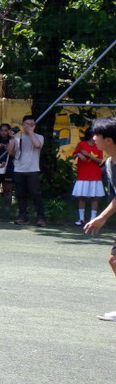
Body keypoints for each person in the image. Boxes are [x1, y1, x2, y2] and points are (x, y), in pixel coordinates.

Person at [82, 117, 116, 320]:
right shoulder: (110, 164)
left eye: (97, 135)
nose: (93, 138)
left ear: (109, 140)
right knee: (114, 260)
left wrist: (102, 217)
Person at [9, 114, 46, 226]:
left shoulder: (39, 137)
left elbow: (37, 145)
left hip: (33, 169)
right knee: (21, 195)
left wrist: (30, 132)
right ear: (22, 125)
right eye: (27, 124)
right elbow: (11, 152)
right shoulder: (17, 137)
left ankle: (41, 217)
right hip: (19, 169)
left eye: (32, 124)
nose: (29, 126)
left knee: (35, 194)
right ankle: (23, 216)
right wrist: (11, 138)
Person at [71, 128, 105, 226]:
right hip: (83, 174)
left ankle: (93, 219)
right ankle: (81, 219)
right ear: (91, 135)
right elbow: (72, 156)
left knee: (94, 197)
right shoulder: (81, 144)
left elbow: (99, 161)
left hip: (95, 175)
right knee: (82, 197)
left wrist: (88, 155)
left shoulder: (99, 146)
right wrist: (78, 154)